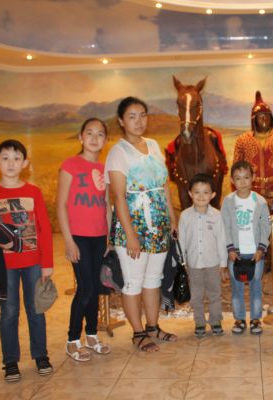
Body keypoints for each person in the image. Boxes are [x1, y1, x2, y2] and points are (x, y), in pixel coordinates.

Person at [0, 139, 53, 382]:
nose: (11, 163)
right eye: (5, 158)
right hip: (4, 266)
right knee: (8, 312)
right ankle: (10, 361)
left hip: (33, 262)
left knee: (36, 309)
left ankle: (41, 355)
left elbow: (44, 229)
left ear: (25, 163)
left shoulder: (34, 192)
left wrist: (47, 263)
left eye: (16, 158)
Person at [105, 97, 177, 352]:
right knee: (133, 282)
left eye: (143, 115)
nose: (139, 121)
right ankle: (138, 333)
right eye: (132, 116)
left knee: (154, 279)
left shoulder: (154, 145)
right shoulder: (118, 153)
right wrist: (130, 235)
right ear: (121, 121)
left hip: (158, 226)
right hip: (132, 227)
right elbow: (118, 197)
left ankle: (153, 327)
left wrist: (172, 218)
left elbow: (164, 186)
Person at [57, 118, 111, 362]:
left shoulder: (104, 169)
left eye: (100, 134)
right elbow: (61, 205)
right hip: (78, 237)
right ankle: (72, 340)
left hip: (99, 237)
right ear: (81, 137)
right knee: (85, 288)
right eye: (89, 133)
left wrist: (109, 238)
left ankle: (91, 336)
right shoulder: (70, 165)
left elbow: (106, 205)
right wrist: (69, 241)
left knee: (95, 288)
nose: (94, 138)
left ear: (105, 140)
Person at [221, 161, 271, 335]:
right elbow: (225, 226)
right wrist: (230, 249)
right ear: (232, 180)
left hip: (255, 253)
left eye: (246, 177)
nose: (242, 182)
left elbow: (266, 226)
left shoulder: (260, 201)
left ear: (253, 178)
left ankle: (256, 319)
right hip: (235, 254)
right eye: (238, 178)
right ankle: (240, 319)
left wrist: (261, 248)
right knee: (237, 288)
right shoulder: (228, 201)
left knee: (256, 287)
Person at [179, 174, 229, 337]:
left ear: (213, 195)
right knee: (196, 295)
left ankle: (215, 321)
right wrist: (182, 262)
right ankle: (199, 322)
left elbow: (221, 239)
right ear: (190, 194)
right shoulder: (185, 216)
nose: (201, 196)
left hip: (213, 263)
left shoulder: (216, 215)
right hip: (193, 264)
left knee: (215, 294)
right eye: (197, 192)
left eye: (205, 192)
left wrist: (223, 263)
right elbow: (182, 241)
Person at [233, 91, 273, 206]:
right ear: (253, 119)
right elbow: (236, 169)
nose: (264, 119)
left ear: (272, 118)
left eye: (267, 116)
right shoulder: (242, 140)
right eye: (260, 116)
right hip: (250, 191)